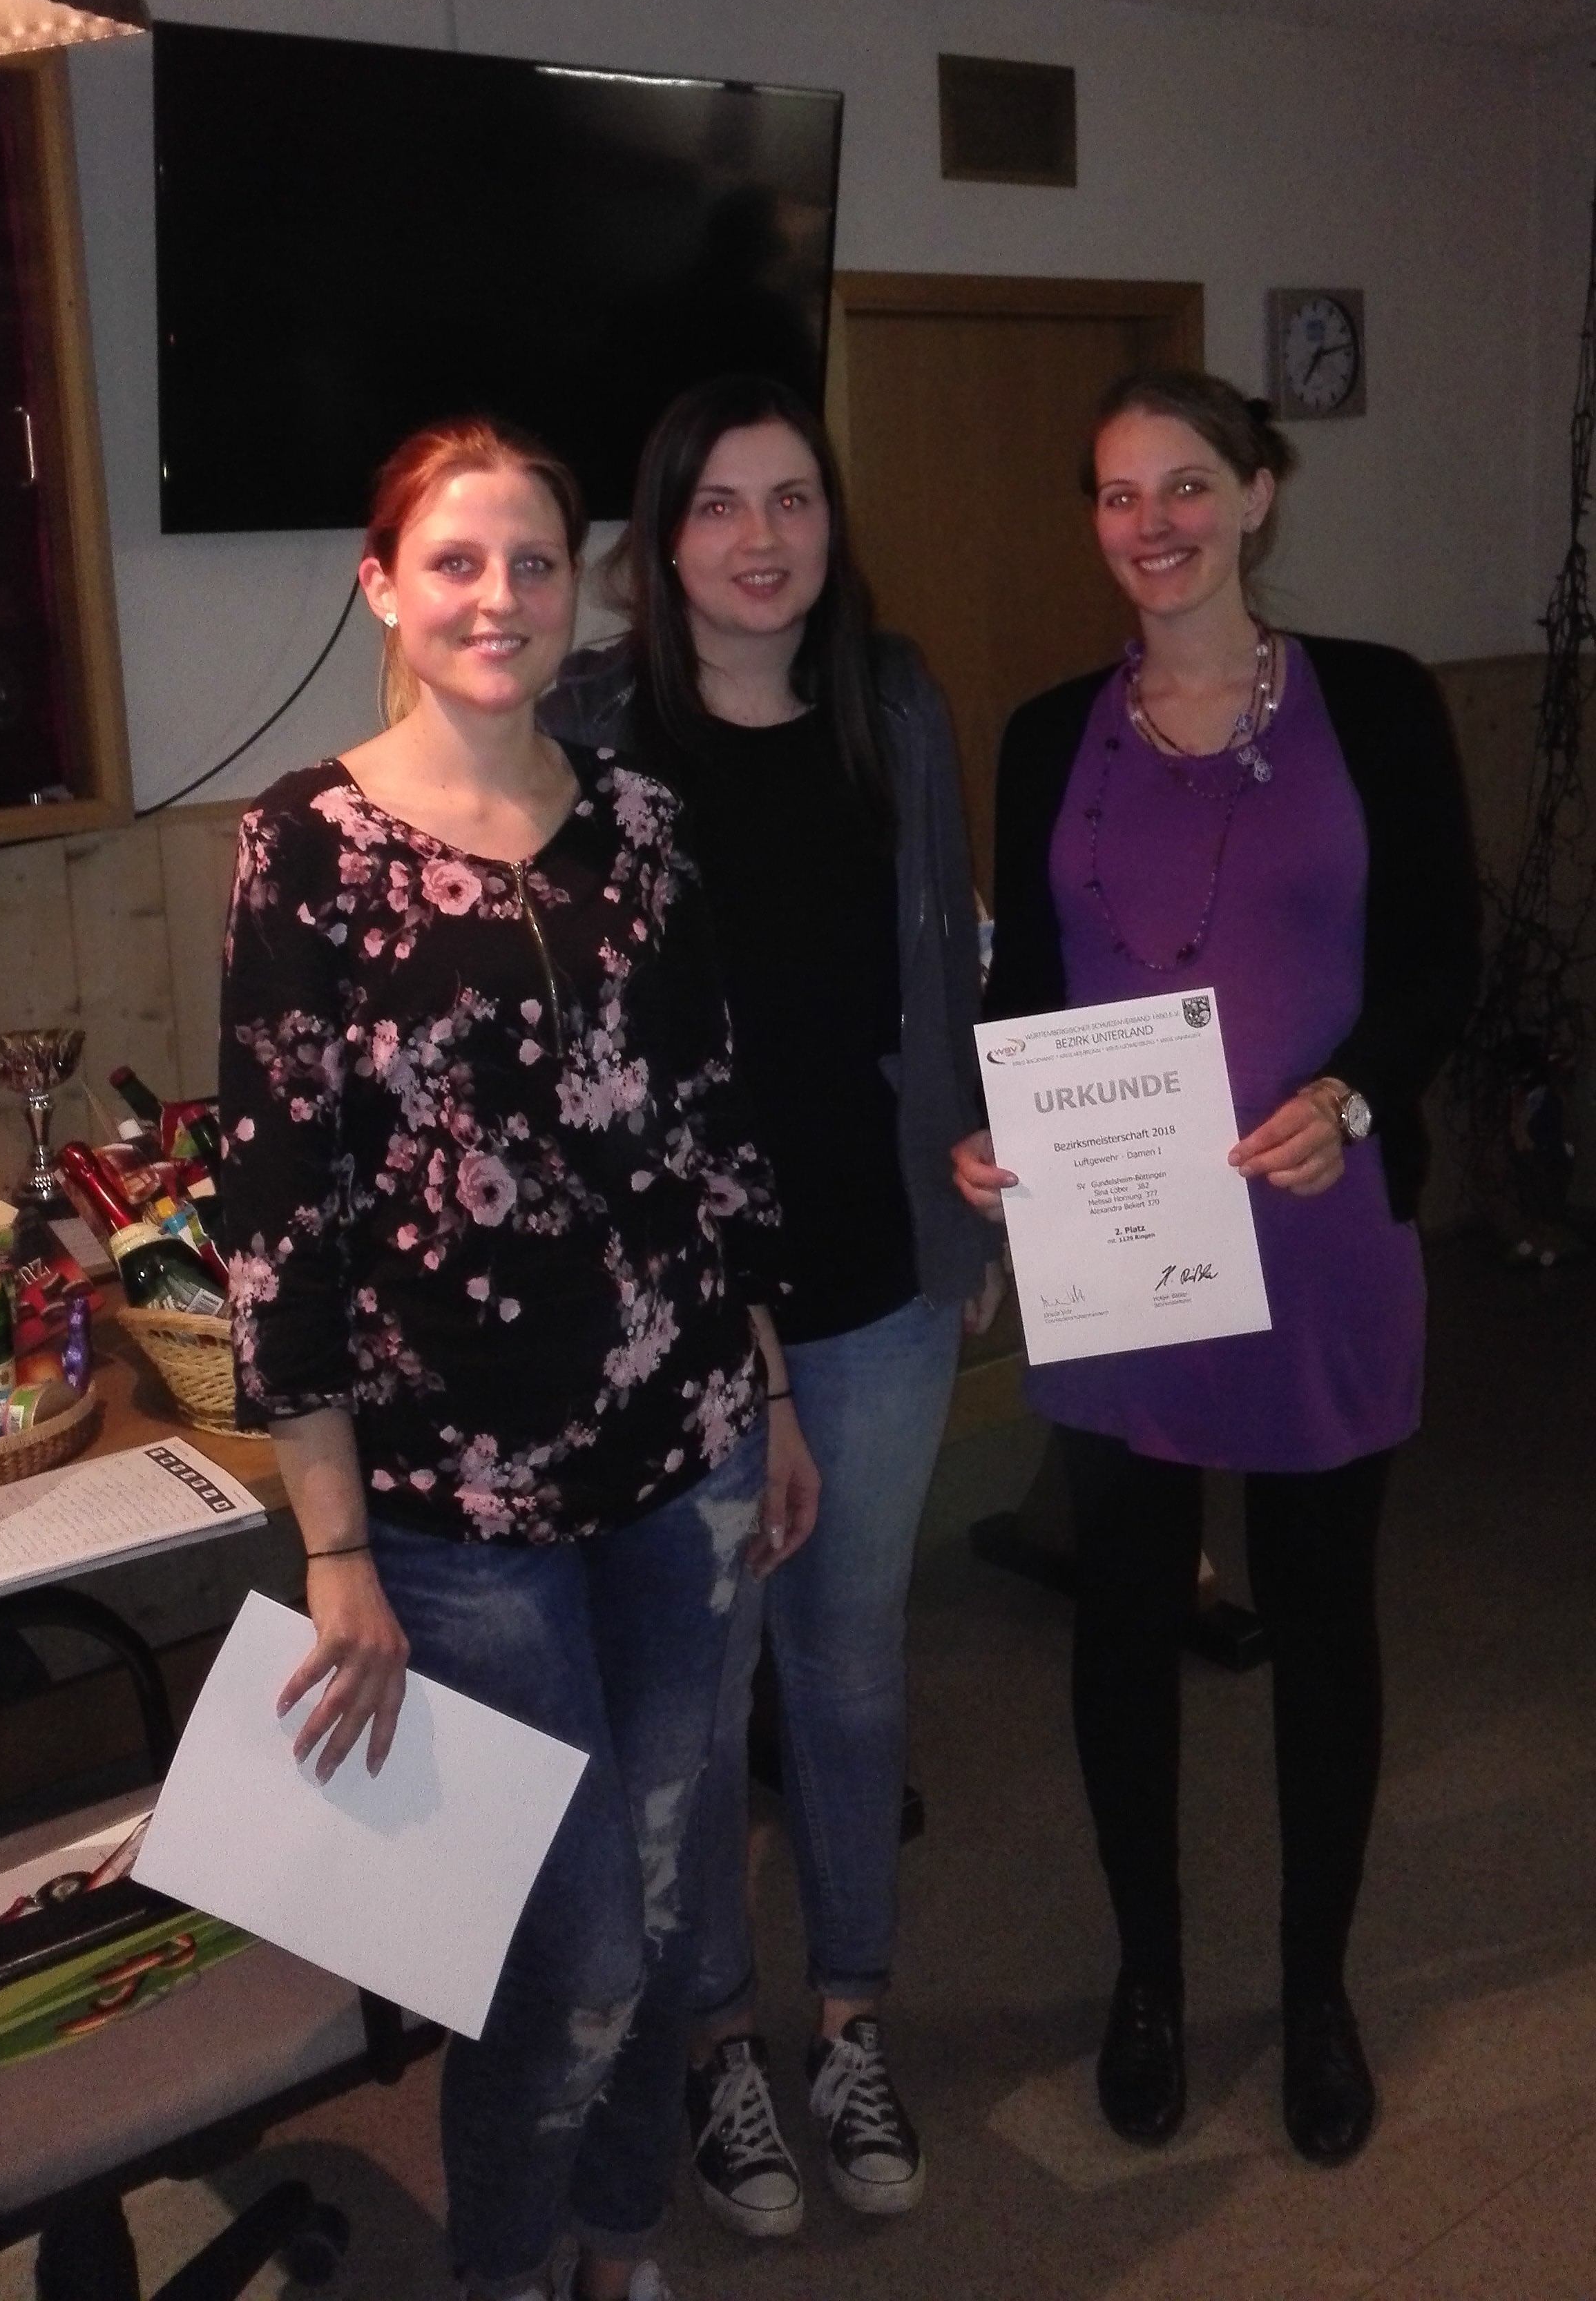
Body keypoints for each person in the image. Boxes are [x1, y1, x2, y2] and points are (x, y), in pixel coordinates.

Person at [219, 414, 818, 2301]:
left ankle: (619, 2244)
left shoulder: (641, 821)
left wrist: (772, 1394)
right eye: (457, 562)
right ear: (383, 588)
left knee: (668, 1903)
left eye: (536, 562)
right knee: (569, 1957)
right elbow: (278, 1216)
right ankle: (501, 2269)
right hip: (455, 1511)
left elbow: (712, 1132)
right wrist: (334, 1548)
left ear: (579, 592)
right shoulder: (305, 846)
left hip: (686, 1453)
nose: (500, 597)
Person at [954, 369, 1478, 2166]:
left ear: (1258, 493)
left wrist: (1350, 1091)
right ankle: (1150, 1979)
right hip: (1124, 1255)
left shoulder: (1378, 702)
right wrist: (992, 1123)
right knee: (1123, 1619)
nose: (1151, 524)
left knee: (1324, 1622)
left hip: (1321, 1237)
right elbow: (1028, 989)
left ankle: (1315, 1987)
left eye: (1187, 485)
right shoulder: (1048, 734)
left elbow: (1439, 958)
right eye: (1117, 494)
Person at [544, 374, 1000, 2239]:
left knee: (851, 1658)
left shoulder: (894, 703)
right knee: (701, 1680)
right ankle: (720, 2038)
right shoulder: (589, 729)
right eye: (719, 505)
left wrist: (971, 1203)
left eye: (792, 499)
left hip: (878, 1275)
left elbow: (946, 965)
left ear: (830, 522)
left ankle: (851, 2020)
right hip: (678, 1311)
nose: (760, 538)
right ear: (663, 544)